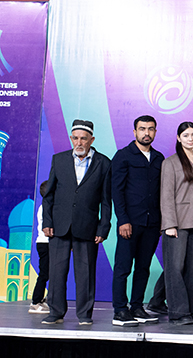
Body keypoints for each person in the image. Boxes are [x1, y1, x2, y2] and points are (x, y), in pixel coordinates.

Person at [40, 120, 111, 326]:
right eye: (75, 138)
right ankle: (55, 312)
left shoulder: (104, 163)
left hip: (88, 226)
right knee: (56, 271)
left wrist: (103, 227)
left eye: (83, 138)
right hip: (59, 226)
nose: (79, 142)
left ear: (92, 140)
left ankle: (84, 315)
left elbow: (106, 200)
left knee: (86, 273)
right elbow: (49, 195)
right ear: (71, 138)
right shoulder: (59, 159)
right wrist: (47, 222)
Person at [112, 115, 164, 327]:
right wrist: (123, 220)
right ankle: (120, 310)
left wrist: (161, 221)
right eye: (142, 129)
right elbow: (117, 191)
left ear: (155, 132)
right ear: (135, 132)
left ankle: (137, 307)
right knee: (123, 267)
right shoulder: (123, 156)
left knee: (143, 268)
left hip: (152, 224)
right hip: (130, 223)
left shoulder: (159, 158)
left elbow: (162, 192)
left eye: (150, 129)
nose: (146, 133)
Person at [160, 122, 193, 325]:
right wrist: (169, 224)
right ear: (179, 138)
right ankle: (178, 312)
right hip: (178, 222)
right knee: (175, 268)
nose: (190, 138)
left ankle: (191, 311)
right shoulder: (170, 163)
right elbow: (166, 194)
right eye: (186, 135)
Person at [29, 184, 50, 314]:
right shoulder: (46, 207)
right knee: (44, 274)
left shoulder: (45, 206)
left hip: (46, 243)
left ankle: (44, 300)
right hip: (45, 243)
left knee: (50, 273)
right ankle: (35, 302)